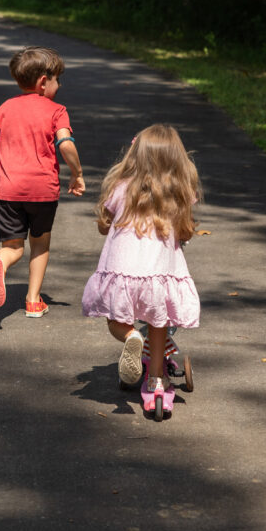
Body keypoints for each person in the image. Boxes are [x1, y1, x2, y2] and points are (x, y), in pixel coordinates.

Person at [81, 124, 201, 396]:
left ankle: (131, 336)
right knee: (159, 322)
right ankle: (156, 380)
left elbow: (104, 225)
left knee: (116, 319)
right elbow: (184, 231)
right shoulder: (179, 194)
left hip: (121, 274)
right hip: (157, 276)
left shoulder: (121, 188)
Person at [0, 45, 85, 317]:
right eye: (57, 80)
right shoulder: (57, 110)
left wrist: (4, 151)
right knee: (40, 244)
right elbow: (65, 144)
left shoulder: (5, 107)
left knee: (13, 247)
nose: (59, 85)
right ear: (43, 82)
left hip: (7, 190)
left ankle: (0, 265)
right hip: (42, 192)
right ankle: (32, 300)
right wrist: (77, 174)